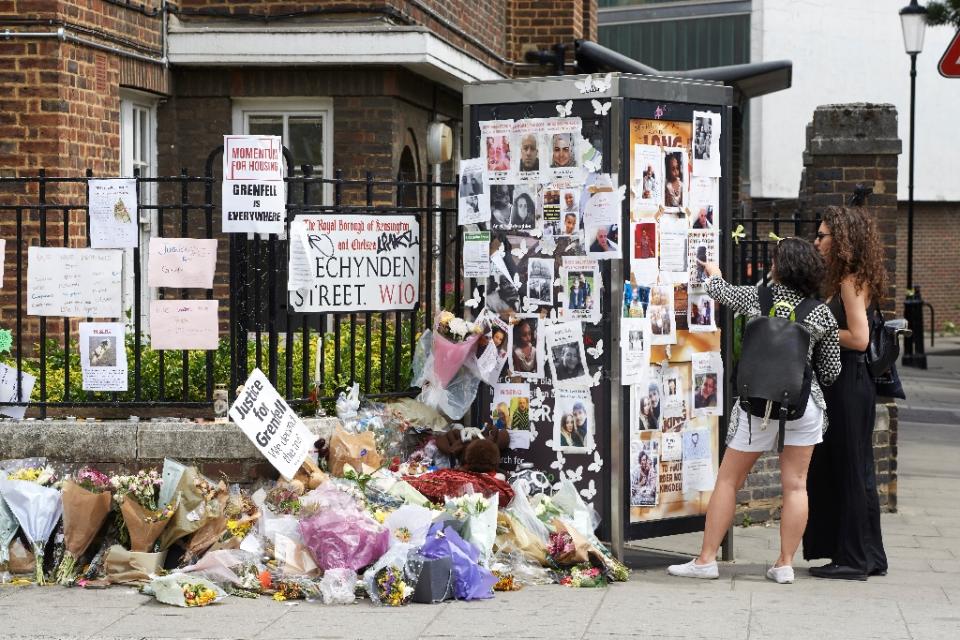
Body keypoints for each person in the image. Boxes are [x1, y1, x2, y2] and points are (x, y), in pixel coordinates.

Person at [667, 237, 840, 584]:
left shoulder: (755, 298)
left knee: (729, 480)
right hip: (802, 406)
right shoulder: (820, 313)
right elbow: (832, 372)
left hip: (756, 405)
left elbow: (720, 291)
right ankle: (785, 564)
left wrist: (713, 272)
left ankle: (706, 560)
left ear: (780, 267)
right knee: (795, 486)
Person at [804, 206, 890, 581]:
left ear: (841, 241)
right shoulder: (854, 278)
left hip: (848, 384)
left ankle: (852, 559)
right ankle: (869, 555)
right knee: (861, 469)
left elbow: (859, 338)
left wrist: (815, 328)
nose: (817, 241)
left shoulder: (848, 283)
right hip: (856, 385)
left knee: (849, 468)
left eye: (822, 236)